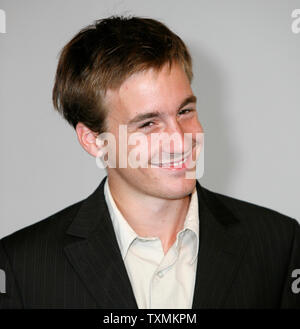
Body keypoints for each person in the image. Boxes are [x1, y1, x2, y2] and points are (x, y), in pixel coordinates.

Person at [0, 16, 299, 309]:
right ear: (94, 140)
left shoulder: (278, 244)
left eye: (185, 111)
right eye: (148, 124)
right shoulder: (21, 267)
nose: (181, 141)